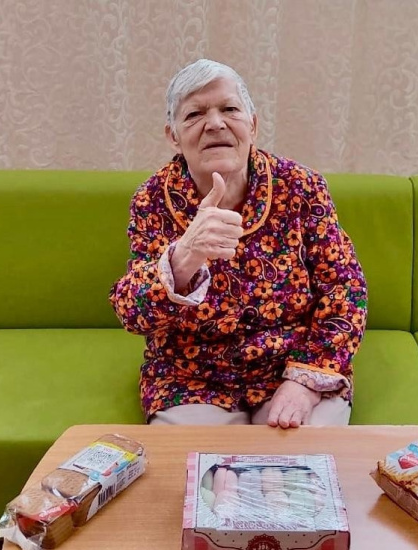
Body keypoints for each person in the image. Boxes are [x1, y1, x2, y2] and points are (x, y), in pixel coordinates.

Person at [109, 59, 367, 428]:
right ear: (173, 136)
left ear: (253, 125)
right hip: (190, 376)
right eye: (195, 114)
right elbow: (132, 313)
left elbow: (345, 288)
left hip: (291, 366)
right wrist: (185, 255)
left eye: (229, 109)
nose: (215, 123)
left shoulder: (301, 187)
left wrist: (305, 381)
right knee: (196, 460)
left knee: (300, 455)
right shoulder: (152, 199)